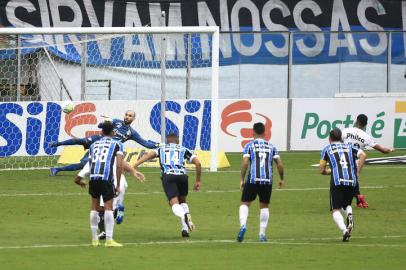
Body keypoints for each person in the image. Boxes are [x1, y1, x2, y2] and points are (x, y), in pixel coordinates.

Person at [132, 132, 202, 237]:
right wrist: (197, 181)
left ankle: (185, 216)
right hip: (182, 177)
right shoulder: (183, 149)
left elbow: (148, 155)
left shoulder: (162, 148)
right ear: (178, 141)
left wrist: (134, 165)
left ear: (167, 141)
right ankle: (185, 229)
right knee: (183, 201)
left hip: (168, 176)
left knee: (173, 203)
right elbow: (198, 163)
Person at [50, 110, 157, 176]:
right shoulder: (115, 121)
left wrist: (157, 144)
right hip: (98, 139)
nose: (127, 116)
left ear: (133, 118)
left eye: (130, 115)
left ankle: (57, 169)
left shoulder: (132, 133)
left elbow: (145, 144)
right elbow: (100, 126)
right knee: (81, 140)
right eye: (126, 114)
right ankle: (57, 143)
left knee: (84, 164)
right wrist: (104, 123)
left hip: (104, 149)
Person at [74, 121, 125, 247]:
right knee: (108, 208)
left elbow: (90, 162)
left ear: (101, 132)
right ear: (113, 132)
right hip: (106, 178)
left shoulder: (94, 145)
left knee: (94, 208)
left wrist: (80, 177)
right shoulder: (117, 144)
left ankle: (94, 240)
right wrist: (118, 183)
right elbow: (119, 165)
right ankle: (109, 240)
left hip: (94, 177)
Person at [237, 122, 285, 242]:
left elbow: (245, 163)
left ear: (253, 132)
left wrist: (242, 179)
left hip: (253, 179)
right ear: (265, 133)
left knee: (245, 203)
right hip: (267, 180)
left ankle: (243, 225)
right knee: (264, 205)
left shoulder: (249, 146)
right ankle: (262, 234)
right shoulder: (272, 147)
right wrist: (282, 178)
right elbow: (279, 164)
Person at [320, 128, 366, 242]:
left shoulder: (326, 149)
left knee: (335, 209)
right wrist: (357, 172)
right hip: (351, 180)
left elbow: (321, 169)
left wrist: (329, 171)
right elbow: (363, 155)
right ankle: (349, 216)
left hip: (337, 181)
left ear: (329, 139)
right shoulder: (350, 147)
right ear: (341, 138)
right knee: (346, 204)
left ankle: (344, 230)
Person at [341, 114, 394, 208]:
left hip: (343, 159)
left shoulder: (345, 131)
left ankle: (357, 199)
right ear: (365, 125)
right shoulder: (366, 137)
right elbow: (383, 150)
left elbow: (337, 141)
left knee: (344, 181)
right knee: (353, 180)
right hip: (356, 161)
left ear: (356, 121)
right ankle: (359, 199)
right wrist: (390, 150)